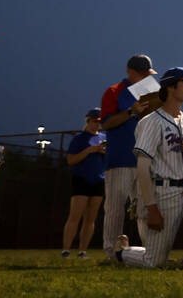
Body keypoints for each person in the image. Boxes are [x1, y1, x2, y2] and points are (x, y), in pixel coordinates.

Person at [112, 68, 183, 268]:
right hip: (164, 193)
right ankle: (122, 253)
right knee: (155, 262)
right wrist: (151, 207)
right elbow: (142, 169)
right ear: (170, 87)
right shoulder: (153, 122)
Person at [99, 53, 159, 260]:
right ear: (130, 72)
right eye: (141, 74)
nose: (145, 78)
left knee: (145, 206)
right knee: (116, 208)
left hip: (145, 158)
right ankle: (111, 253)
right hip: (121, 159)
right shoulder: (115, 91)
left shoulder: (150, 90)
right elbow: (105, 123)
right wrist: (130, 112)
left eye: (147, 74)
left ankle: (149, 251)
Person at [62, 108, 107, 258]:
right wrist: (89, 150)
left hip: (99, 180)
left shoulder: (104, 137)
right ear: (88, 121)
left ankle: (82, 251)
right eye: (94, 121)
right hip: (82, 179)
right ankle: (66, 250)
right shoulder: (79, 138)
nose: (97, 125)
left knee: (90, 219)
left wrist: (104, 152)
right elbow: (71, 160)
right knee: (75, 216)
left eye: (99, 122)